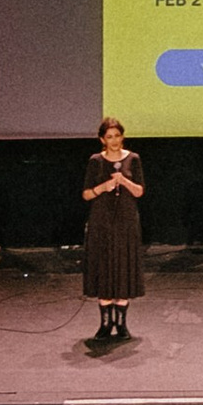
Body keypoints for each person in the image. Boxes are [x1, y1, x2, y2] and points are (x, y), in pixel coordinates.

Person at [80, 114, 145, 342]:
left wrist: (124, 181)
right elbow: (86, 194)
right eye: (109, 137)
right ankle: (105, 324)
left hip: (126, 222)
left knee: (123, 268)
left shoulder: (133, 159)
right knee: (104, 268)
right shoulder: (95, 161)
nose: (114, 140)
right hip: (102, 222)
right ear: (102, 140)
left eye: (117, 136)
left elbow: (140, 191)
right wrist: (103, 187)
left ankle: (122, 324)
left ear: (122, 137)